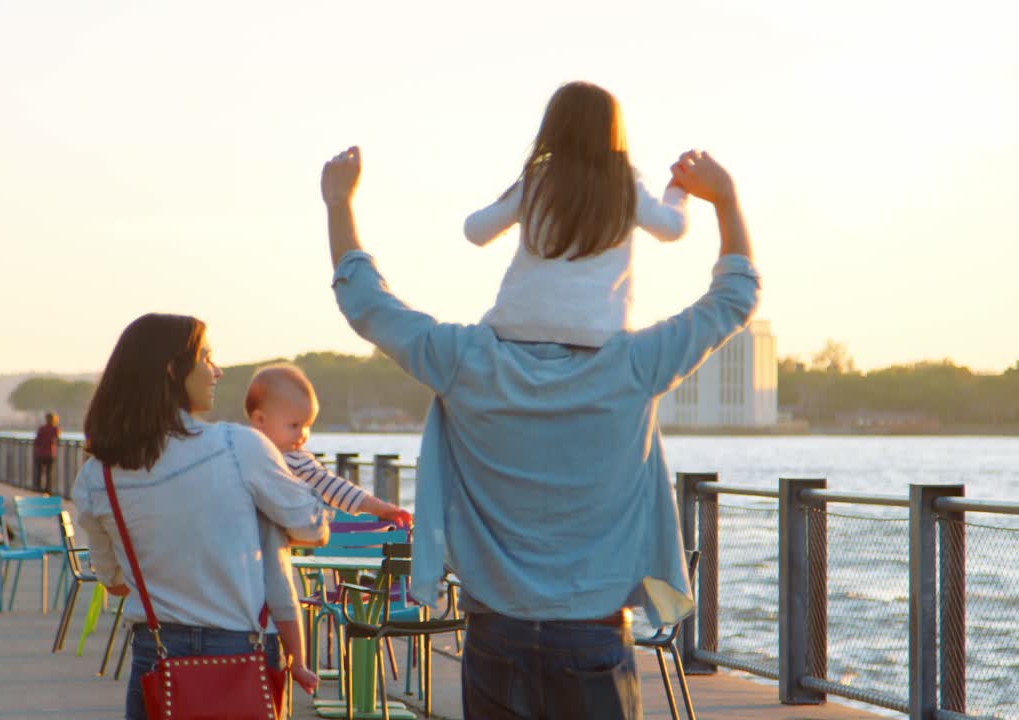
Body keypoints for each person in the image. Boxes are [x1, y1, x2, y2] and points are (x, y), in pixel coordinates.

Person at [321, 145, 759, 718]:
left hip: (495, 636)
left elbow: (365, 302)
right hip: (595, 637)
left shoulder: (465, 362)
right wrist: (725, 200)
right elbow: (733, 298)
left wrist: (337, 203)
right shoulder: (632, 366)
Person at [73, 314, 331, 720]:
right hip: (240, 656)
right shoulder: (238, 446)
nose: (217, 370)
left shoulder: (97, 475)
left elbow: (115, 580)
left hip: (156, 657)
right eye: (207, 358)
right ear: (174, 370)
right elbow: (314, 528)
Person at [464, 81, 688, 349]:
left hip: (516, 327)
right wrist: (677, 192)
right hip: (596, 333)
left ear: (553, 127)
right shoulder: (624, 184)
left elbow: (475, 232)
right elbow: (671, 228)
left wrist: (520, 207)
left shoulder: (538, 180)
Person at [244, 363, 413, 693]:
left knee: (284, 601)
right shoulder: (251, 454)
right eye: (294, 425)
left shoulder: (293, 459)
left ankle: (299, 663)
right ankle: (295, 665)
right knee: (279, 603)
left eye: (307, 426)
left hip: (263, 553)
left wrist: (381, 508)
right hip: (244, 555)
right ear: (260, 420)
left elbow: (335, 487)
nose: (302, 435)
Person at [32, 412, 60, 494]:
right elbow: (57, 438)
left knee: (39, 471)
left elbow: (37, 440)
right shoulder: (55, 429)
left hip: (40, 453)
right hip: (49, 453)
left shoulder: (42, 428)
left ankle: (38, 488)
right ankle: (48, 489)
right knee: (49, 473)